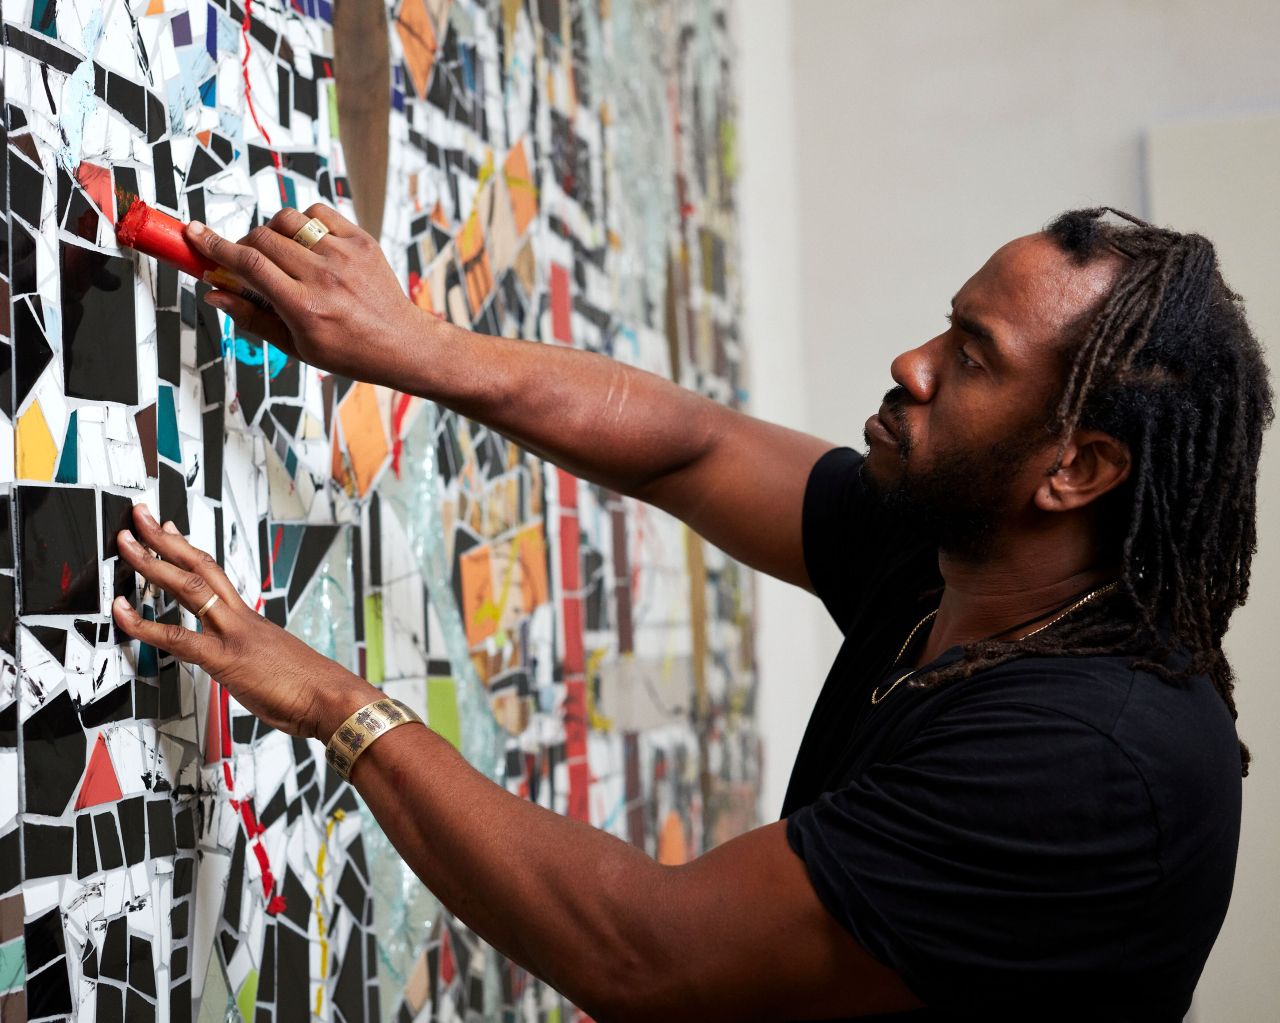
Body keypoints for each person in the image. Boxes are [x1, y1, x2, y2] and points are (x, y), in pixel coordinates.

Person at [111, 204, 1270, 1022]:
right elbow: (690, 449)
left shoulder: (1092, 763)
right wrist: (412, 346)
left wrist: (334, 701)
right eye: (944, 324)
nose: (910, 363)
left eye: (971, 357)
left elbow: (643, 956)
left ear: (1076, 469)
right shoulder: (956, 553)